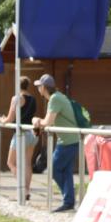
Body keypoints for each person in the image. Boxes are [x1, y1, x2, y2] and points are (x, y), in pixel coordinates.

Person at [31, 74, 78, 212]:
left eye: (39, 86)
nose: (38, 88)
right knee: (66, 170)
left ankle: (69, 198)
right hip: (71, 139)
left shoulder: (55, 99)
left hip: (68, 141)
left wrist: (35, 120)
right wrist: (40, 121)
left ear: (44, 87)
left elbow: (47, 122)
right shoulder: (57, 97)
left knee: (53, 169)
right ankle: (69, 200)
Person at [0, 77, 37, 201]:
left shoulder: (16, 98)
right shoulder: (33, 99)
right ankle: (26, 191)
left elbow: (9, 119)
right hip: (32, 134)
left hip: (20, 134)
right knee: (27, 164)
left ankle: (22, 189)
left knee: (11, 162)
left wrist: (1, 120)